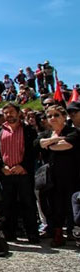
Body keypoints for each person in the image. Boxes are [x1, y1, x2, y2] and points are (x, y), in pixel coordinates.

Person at [0, 103, 39, 243]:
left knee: (27, 203)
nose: (9, 115)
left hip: (23, 173)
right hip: (6, 174)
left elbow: (33, 150)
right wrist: (1, 166)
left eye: (11, 112)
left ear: (18, 113)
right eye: (6, 113)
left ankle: (32, 234)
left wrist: (23, 166)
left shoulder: (28, 130)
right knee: (8, 205)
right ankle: (9, 234)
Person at [35, 105, 79, 247]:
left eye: (56, 115)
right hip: (51, 179)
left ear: (64, 117)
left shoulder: (73, 132)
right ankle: (58, 234)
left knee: (72, 206)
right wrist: (54, 140)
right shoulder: (46, 133)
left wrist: (49, 144)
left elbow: (65, 145)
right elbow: (38, 144)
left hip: (71, 176)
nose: (52, 118)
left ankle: (75, 233)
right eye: (50, 116)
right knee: (54, 206)